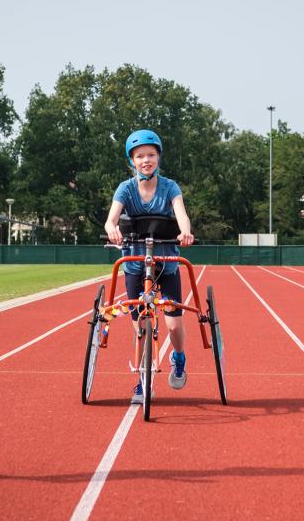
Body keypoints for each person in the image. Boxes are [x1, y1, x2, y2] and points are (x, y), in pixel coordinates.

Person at [105, 129, 194, 403]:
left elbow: (181, 214)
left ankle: (178, 358)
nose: (146, 160)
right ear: (132, 161)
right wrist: (111, 229)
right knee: (140, 325)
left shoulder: (170, 187)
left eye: (151, 155)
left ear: (158, 157)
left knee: (173, 325)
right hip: (134, 261)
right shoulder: (125, 188)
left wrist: (185, 232)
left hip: (166, 261)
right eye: (140, 156)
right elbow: (111, 219)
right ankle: (143, 381)